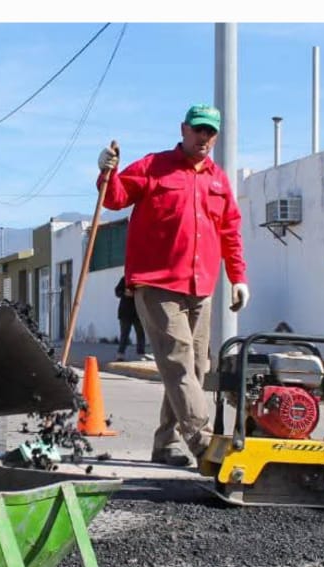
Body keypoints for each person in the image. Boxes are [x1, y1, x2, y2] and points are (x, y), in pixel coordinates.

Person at [98, 103, 248, 467]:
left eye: (210, 132)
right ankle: (203, 443)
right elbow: (115, 197)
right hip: (158, 284)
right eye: (198, 130)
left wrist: (238, 277)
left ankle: (165, 443)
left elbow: (230, 231)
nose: (204, 137)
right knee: (179, 363)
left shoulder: (218, 180)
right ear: (183, 129)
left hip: (202, 287)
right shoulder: (154, 166)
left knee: (195, 369)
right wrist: (107, 172)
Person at [113, 273, 147, 360]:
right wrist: (125, 293)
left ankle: (141, 353)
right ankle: (120, 354)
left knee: (140, 333)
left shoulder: (141, 280)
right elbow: (117, 291)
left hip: (138, 312)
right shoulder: (125, 279)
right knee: (124, 334)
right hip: (125, 313)